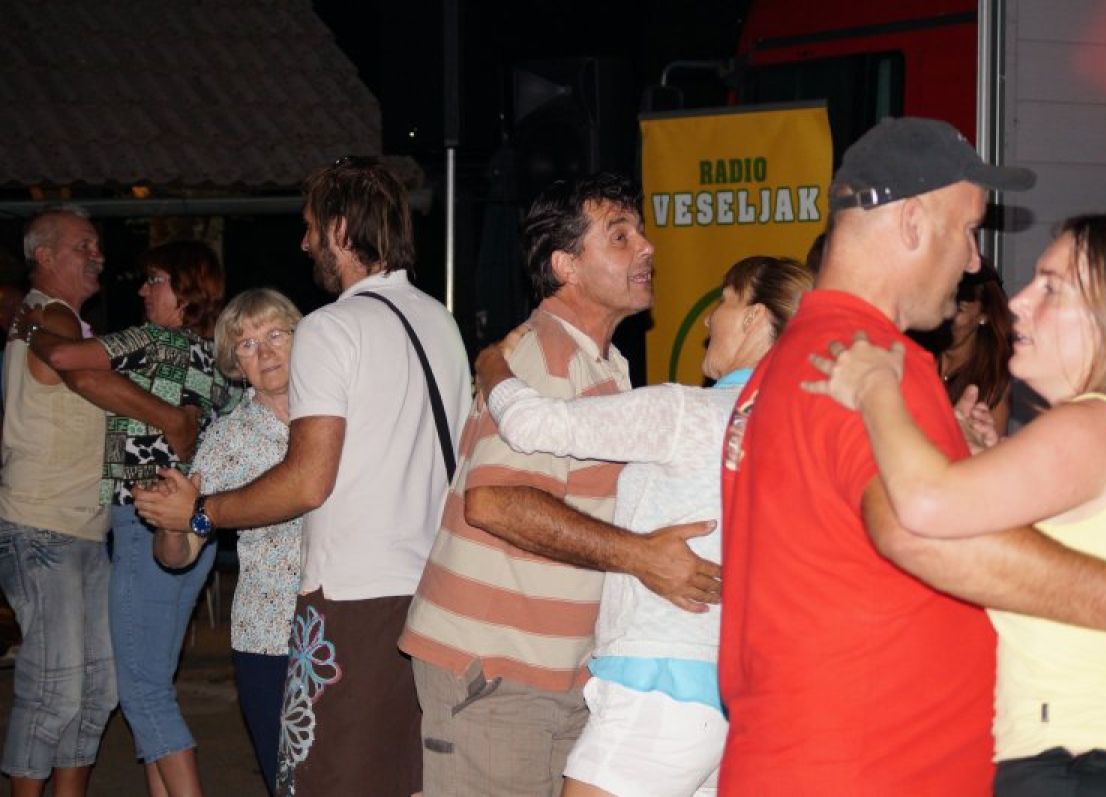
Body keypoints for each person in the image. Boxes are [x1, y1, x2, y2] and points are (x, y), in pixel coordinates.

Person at [717, 117, 1106, 795]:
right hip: (875, 770)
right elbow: (919, 528)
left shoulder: (793, 360)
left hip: (813, 757)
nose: (976, 262)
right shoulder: (869, 361)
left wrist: (975, 459)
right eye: (969, 230)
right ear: (913, 222)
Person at [806, 214, 1106, 794]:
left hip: (1078, 763)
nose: (1018, 302)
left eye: (1052, 288)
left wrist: (876, 389)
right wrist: (983, 456)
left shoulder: (1092, 425)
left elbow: (925, 508)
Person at [133, 156, 473, 797]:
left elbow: (308, 481)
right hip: (433, 594)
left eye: (312, 227)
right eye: (246, 344)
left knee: (324, 783)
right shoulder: (440, 321)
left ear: (340, 231)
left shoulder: (333, 326)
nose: (304, 242)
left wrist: (202, 511)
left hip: (353, 601)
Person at [398, 173, 721, 796]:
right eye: (620, 237)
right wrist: (642, 556)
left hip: (548, 670)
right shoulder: (541, 355)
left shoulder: (605, 362)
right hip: (497, 667)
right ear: (565, 265)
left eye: (640, 233)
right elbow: (496, 503)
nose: (647, 248)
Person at [473, 256, 813, 796]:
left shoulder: (687, 413)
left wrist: (491, 363)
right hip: (741, 700)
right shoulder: (803, 434)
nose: (709, 320)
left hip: (660, 688)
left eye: (724, 302)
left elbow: (532, 424)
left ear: (754, 318)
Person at [17, 239, 235, 797]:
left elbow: (65, 359)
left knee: (143, 693)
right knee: (154, 680)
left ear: (185, 289)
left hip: (145, 524)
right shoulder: (218, 360)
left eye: (155, 279)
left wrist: (29, 326)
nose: (142, 290)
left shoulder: (149, 339)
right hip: (197, 528)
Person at [152, 288, 304, 796]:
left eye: (276, 334)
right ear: (235, 365)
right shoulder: (227, 440)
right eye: (247, 344)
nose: (265, 352)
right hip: (269, 635)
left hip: (349, 623)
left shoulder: (339, 418)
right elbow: (181, 552)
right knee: (289, 779)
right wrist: (172, 524)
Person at [0, 206, 117, 797]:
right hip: (43, 527)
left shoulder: (53, 321)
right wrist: (170, 415)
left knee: (96, 690)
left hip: (83, 529)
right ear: (43, 255)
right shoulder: (50, 316)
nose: (97, 255)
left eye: (97, 245)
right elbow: (91, 380)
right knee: (56, 690)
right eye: (83, 246)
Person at [936, 257, 1013, 432]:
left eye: (958, 309)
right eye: (941, 304)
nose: (946, 316)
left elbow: (987, 446)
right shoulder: (916, 357)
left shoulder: (992, 384)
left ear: (984, 315)